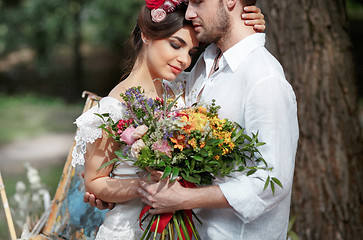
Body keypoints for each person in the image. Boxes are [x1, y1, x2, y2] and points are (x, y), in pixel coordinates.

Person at [72, 1, 266, 239]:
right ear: (146, 35)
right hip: (129, 230)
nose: (184, 60)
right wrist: (144, 188)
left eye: (191, 53)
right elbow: (94, 182)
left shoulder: (186, 87)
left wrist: (246, 24)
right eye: (176, 45)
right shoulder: (112, 109)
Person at [137, 0, 300, 239]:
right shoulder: (204, 66)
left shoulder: (264, 79)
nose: (190, 12)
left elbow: (272, 181)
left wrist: (183, 198)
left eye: (198, 2)